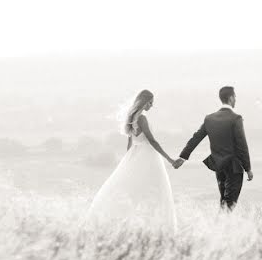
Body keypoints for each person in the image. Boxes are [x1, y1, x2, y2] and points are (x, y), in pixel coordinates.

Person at [88, 89, 177, 230]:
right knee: (156, 189)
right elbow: (152, 141)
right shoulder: (142, 118)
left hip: (137, 154)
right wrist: (170, 160)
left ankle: (137, 222)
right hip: (148, 156)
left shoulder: (132, 117)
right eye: (150, 102)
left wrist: (128, 162)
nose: (151, 106)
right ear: (144, 101)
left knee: (136, 188)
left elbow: (129, 144)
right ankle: (157, 226)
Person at [174, 86, 252, 209]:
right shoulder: (236, 118)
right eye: (235, 97)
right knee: (230, 204)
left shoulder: (210, 119)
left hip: (219, 166)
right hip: (234, 167)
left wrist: (183, 157)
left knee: (224, 201)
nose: (235, 99)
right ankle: (222, 225)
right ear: (231, 98)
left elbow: (196, 138)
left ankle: (219, 226)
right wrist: (248, 168)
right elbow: (242, 145)